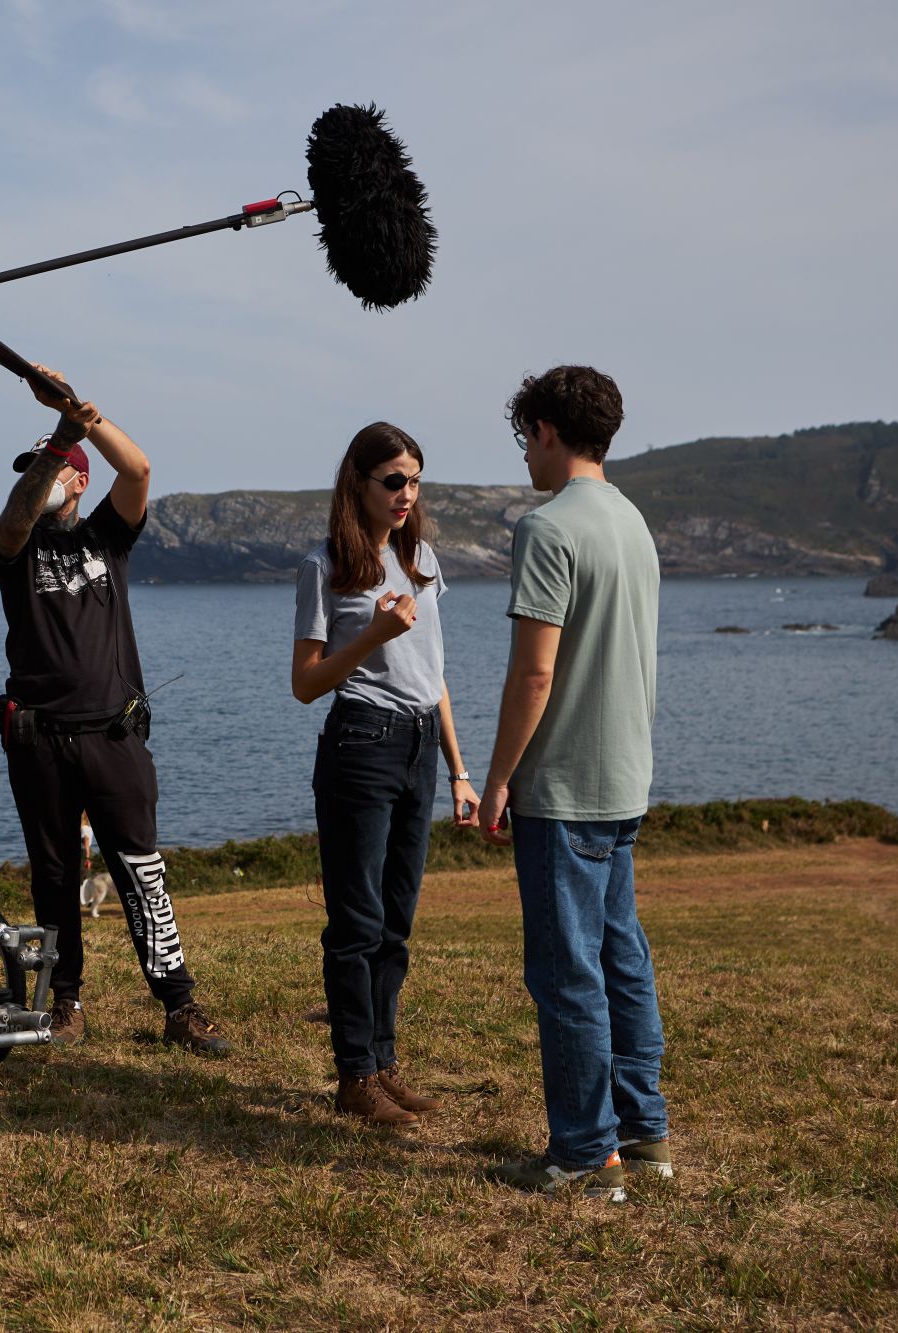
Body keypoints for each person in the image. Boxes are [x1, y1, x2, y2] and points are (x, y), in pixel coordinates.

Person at [0, 366, 230, 1055]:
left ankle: (178, 1002)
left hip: (113, 734)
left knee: (139, 865)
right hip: (39, 738)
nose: (45, 477)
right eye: (35, 469)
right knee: (55, 871)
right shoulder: (13, 545)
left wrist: (83, 423)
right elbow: (14, 517)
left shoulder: (106, 537)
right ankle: (65, 1001)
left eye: (59, 470)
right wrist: (57, 442)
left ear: (82, 480)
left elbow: (141, 467)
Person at [477, 366, 669, 1203]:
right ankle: (644, 1130)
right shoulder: (633, 522)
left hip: (562, 784)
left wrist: (496, 779)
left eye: (525, 435)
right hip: (625, 775)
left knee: (568, 971)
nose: (524, 452)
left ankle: (588, 1154)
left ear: (549, 430)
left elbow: (533, 675)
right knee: (621, 956)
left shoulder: (548, 528)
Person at [292, 422, 480, 1124]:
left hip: (420, 745)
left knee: (396, 921)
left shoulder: (421, 556)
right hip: (361, 743)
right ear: (359, 483)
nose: (408, 493)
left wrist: (461, 771)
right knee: (357, 920)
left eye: (416, 480)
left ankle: (384, 1061)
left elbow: (435, 676)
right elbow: (305, 683)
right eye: (394, 480)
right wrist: (372, 634)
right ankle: (354, 1075)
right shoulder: (324, 565)